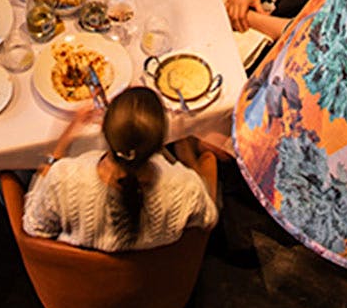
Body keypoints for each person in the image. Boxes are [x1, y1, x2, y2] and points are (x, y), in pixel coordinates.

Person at [23, 89, 218, 252]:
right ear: (161, 144)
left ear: (103, 132)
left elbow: (33, 227)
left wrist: (60, 147)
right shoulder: (185, 187)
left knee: (13, 177)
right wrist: (186, 154)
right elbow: (208, 219)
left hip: (82, 285)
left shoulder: (63, 178)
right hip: (158, 283)